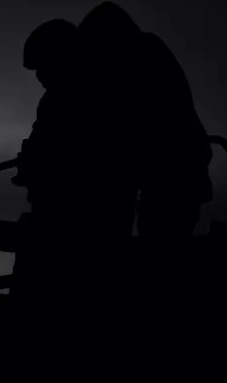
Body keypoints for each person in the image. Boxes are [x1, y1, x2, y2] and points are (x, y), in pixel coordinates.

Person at [13, 16, 137, 302]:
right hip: (75, 218)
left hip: (74, 224)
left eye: (41, 67)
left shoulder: (84, 98)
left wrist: (35, 167)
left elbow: (73, 161)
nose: (39, 76)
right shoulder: (72, 96)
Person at [77, 2, 212, 263]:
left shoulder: (139, 55)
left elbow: (137, 121)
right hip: (173, 168)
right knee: (158, 238)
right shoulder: (144, 52)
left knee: (162, 242)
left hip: (174, 169)